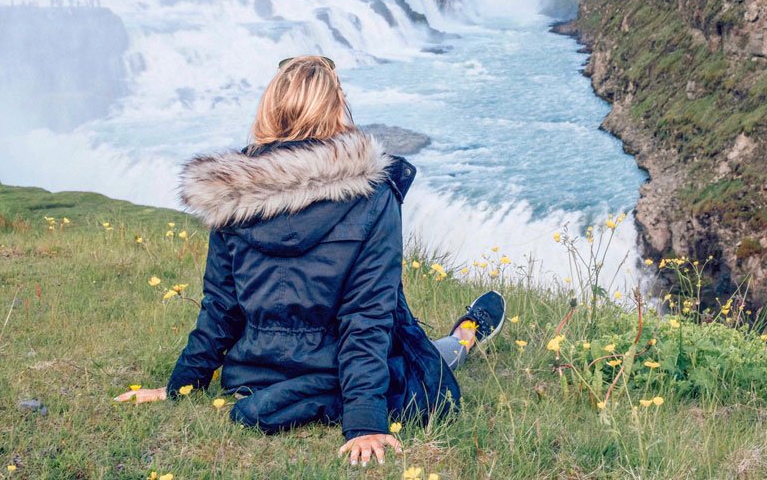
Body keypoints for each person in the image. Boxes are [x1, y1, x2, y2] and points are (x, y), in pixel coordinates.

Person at [115, 55, 506, 467]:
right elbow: (366, 315)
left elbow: (220, 309)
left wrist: (183, 385)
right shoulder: (372, 195)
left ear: (269, 109)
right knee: (426, 360)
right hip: (338, 373)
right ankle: (466, 334)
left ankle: (459, 336)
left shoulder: (229, 196)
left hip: (256, 376)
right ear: (337, 110)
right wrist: (366, 420)